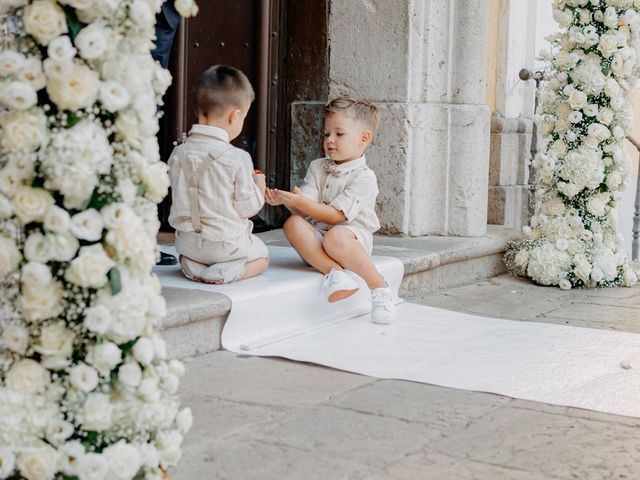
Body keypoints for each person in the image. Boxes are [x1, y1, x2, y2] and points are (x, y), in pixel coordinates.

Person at [265, 97, 396, 324]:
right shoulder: (317, 166)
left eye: (339, 134)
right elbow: (307, 205)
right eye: (326, 134)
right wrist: (291, 200)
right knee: (293, 224)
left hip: (350, 240)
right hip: (320, 241)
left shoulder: (364, 177)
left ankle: (379, 287)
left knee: (336, 236)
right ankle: (335, 273)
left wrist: (301, 203)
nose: (330, 141)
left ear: (363, 138)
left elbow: (336, 216)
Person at [168, 65, 269, 284]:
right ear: (235, 116)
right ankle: (229, 271)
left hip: (186, 244)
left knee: (189, 251)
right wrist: (259, 184)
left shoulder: (178, 153)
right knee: (263, 258)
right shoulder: (237, 158)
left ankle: (191, 264)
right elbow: (248, 208)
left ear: (197, 111)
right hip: (226, 246)